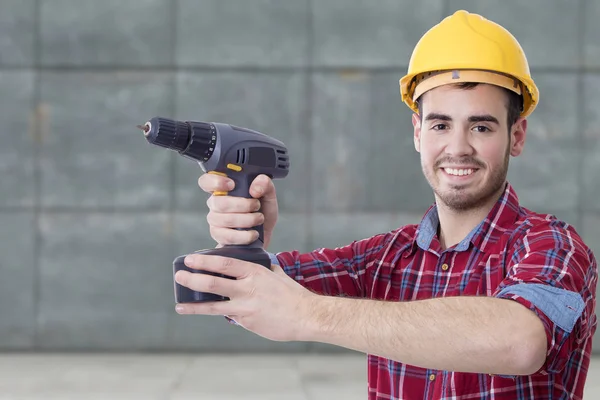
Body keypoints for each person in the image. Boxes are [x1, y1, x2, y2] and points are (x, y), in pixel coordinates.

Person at [173, 10, 598, 399]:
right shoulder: (383, 260)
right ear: (417, 133)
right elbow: (243, 293)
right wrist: (248, 245)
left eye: (481, 126)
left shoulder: (552, 246)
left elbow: (520, 341)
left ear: (517, 136)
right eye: (440, 124)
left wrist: (311, 315)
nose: (457, 147)